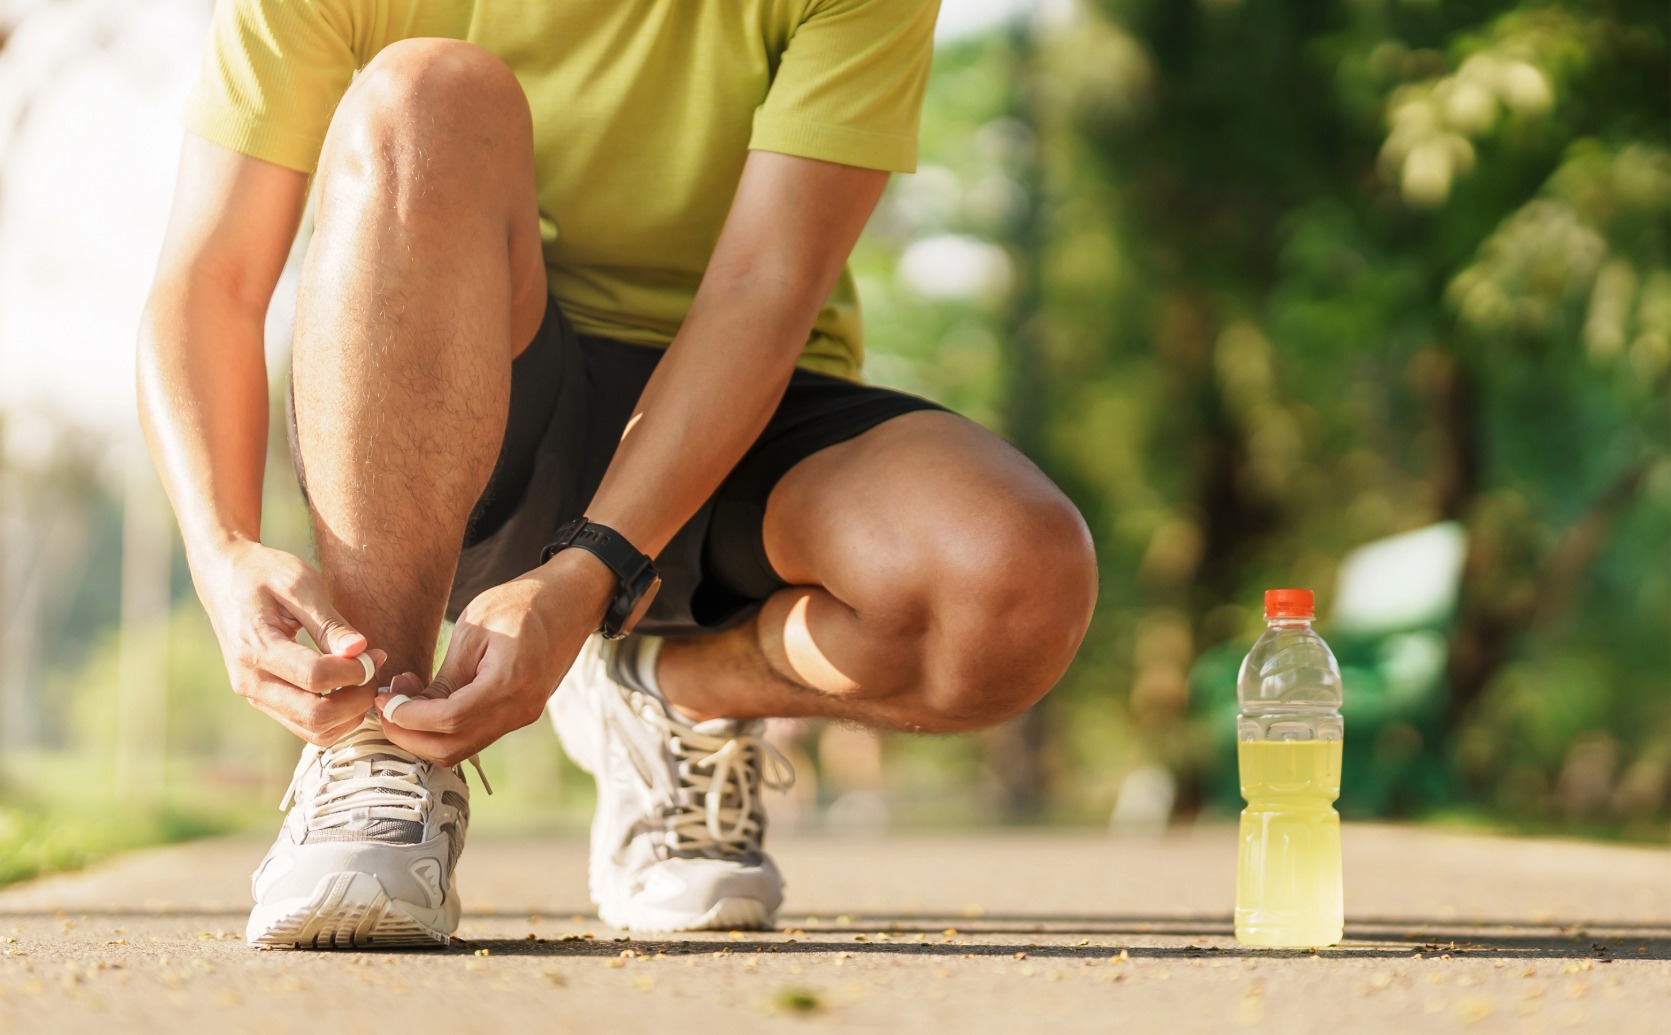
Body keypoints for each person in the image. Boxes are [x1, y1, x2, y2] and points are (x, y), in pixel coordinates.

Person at [138, 0, 1098, 948]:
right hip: (458, 400)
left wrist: (591, 567)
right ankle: (374, 758)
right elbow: (211, 275)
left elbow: (762, 283)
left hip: (730, 404)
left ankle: (668, 687)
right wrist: (219, 549)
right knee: (427, 89)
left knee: (1010, 582)